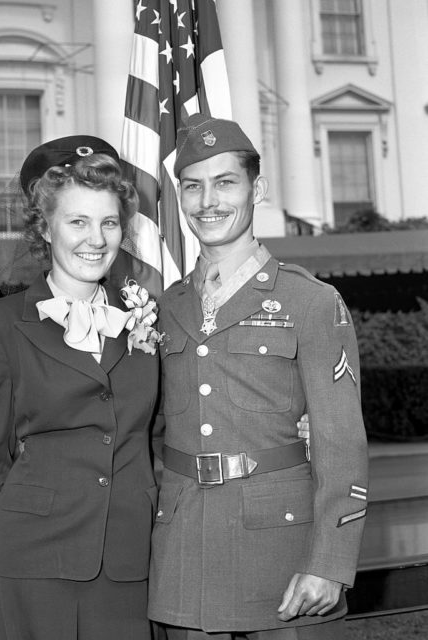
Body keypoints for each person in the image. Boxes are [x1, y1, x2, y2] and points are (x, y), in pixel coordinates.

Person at [148, 114, 369, 640]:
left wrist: (330, 563)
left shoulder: (310, 301)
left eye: (225, 183)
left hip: (282, 558)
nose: (208, 202)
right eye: (193, 187)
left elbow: (342, 443)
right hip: (184, 557)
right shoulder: (164, 308)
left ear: (257, 189)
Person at [0, 136, 163, 640]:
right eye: (78, 222)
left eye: (109, 222)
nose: (96, 239)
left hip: (133, 566)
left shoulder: (148, 318)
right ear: (45, 227)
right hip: (31, 565)